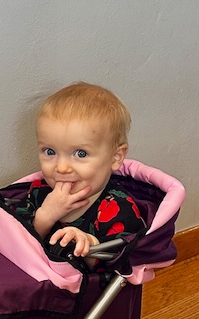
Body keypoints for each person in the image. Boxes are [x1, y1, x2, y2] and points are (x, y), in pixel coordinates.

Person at [22, 82, 145, 259]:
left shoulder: (119, 209)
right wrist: (43, 219)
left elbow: (120, 265)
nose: (62, 168)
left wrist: (90, 245)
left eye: (80, 153)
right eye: (50, 152)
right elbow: (19, 248)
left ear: (115, 157)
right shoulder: (38, 192)